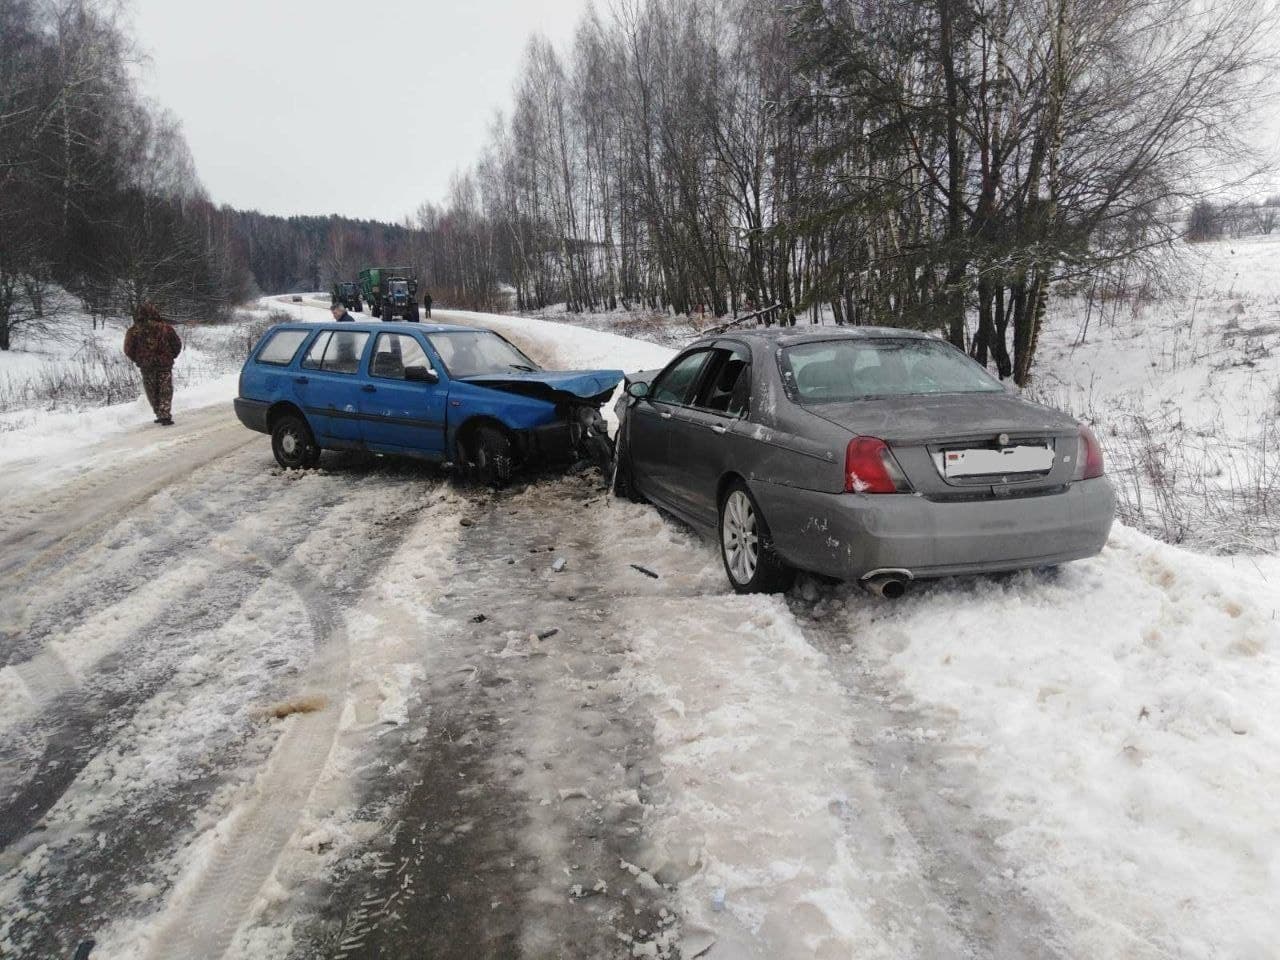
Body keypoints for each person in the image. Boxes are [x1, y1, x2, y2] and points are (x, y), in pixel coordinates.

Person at [123, 301, 183, 426]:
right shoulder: (166, 328)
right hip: (164, 364)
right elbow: (176, 344)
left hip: (146, 365)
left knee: (151, 390)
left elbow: (128, 349)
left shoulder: (134, 331)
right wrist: (171, 356)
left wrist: (138, 359)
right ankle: (165, 413)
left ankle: (158, 412)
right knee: (165, 389)